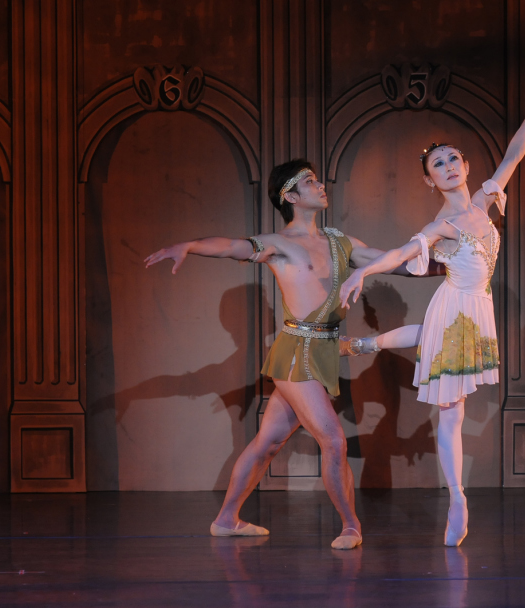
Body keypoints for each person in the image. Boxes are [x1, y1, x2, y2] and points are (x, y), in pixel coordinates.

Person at [145, 159, 432, 549]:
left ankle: (227, 519)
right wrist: (189, 246)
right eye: (309, 181)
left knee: (268, 442)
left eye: (317, 179)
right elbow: (231, 246)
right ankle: (351, 526)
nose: (320, 184)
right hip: (297, 352)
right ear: (291, 196)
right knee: (334, 440)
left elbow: (399, 263)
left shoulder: (341, 242)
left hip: (323, 350)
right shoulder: (279, 245)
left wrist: (455, 266)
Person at [338, 81, 525, 547]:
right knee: (451, 411)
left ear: (466, 165)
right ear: (429, 180)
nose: (448, 166)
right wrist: (360, 273)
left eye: (453, 159)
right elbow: (401, 254)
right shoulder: (440, 226)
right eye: (437, 165)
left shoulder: (484, 200)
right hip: (455, 301)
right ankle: (457, 498)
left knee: (437, 360)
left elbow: (514, 155)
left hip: (479, 307)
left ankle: (366, 344)